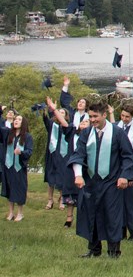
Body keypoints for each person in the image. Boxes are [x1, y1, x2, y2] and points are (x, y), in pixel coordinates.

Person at [68, 102, 133, 258]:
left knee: (112, 216)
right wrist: (78, 174)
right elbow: (78, 154)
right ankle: (94, 249)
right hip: (91, 182)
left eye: (95, 116)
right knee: (92, 214)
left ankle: (114, 251)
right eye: (90, 116)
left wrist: (124, 175)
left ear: (104, 115)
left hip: (111, 182)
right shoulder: (86, 134)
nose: (92, 120)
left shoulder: (117, 133)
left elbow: (128, 156)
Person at [110, 103, 133, 241]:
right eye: (122, 116)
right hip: (117, 171)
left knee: (130, 203)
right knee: (117, 203)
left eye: (127, 117)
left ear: (132, 116)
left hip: (131, 171)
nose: (124, 119)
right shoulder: (116, 128)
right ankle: (121, 231)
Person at [45, 96, 82, 228]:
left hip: (86, 168)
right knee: (71, 191)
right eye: (82, 123)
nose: (84, 124)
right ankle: (69, 218)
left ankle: (84, 218)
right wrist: (54, 110)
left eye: (86, 122)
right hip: (72, 166)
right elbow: (64, 123)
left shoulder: (92, 135)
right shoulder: (72, 132)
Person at [1, 113, 33, 222]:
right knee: (9, 189)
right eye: (15, 119)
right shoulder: (8, 134)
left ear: (23, 123)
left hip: (19, 167)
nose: (16, 121)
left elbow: (29, 151)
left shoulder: (27, 137)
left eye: (19, 119)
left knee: (19, 189)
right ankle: (10, 213)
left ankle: (20, 213)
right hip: (8, 166)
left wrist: (21, 152)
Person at [43, 98, 68, 210]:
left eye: (63, 113)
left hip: (63, 156)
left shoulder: (68, 127)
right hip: (52, 154)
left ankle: (62, 199)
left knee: (62, 177)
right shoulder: (52, 125)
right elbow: (45, 119)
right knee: (50, 178)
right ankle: (50, 200)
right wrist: (48, 108)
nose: (60, 114)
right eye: (59, 112)